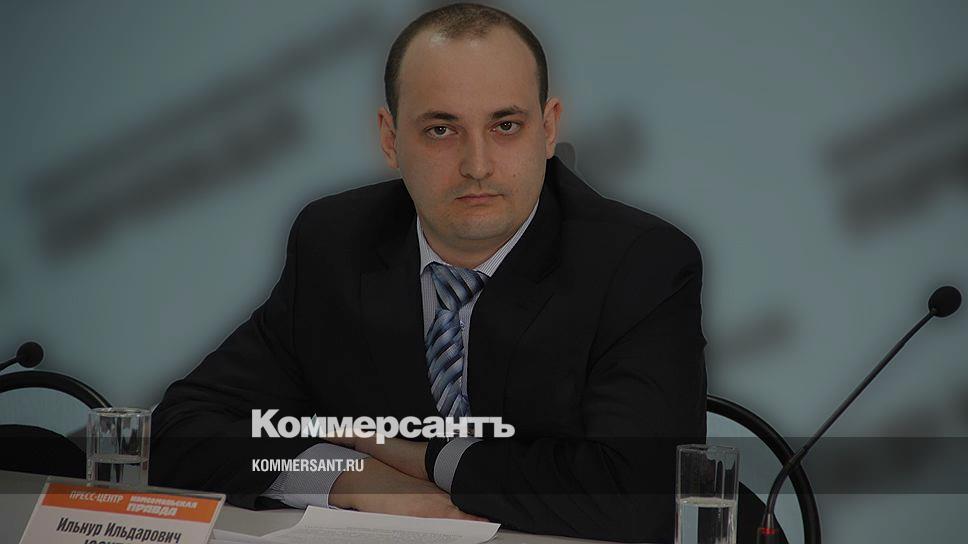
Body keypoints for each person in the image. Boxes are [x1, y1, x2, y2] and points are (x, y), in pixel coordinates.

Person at [151, 3, 706, 541]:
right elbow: (184, 428)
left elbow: (645, 493)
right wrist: (353, 478)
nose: (477, 165)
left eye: (506, 125)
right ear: (390, 139)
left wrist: (430, 460)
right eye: (441, 130)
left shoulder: (640, 263)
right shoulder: (335, 242)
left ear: (548, 128)